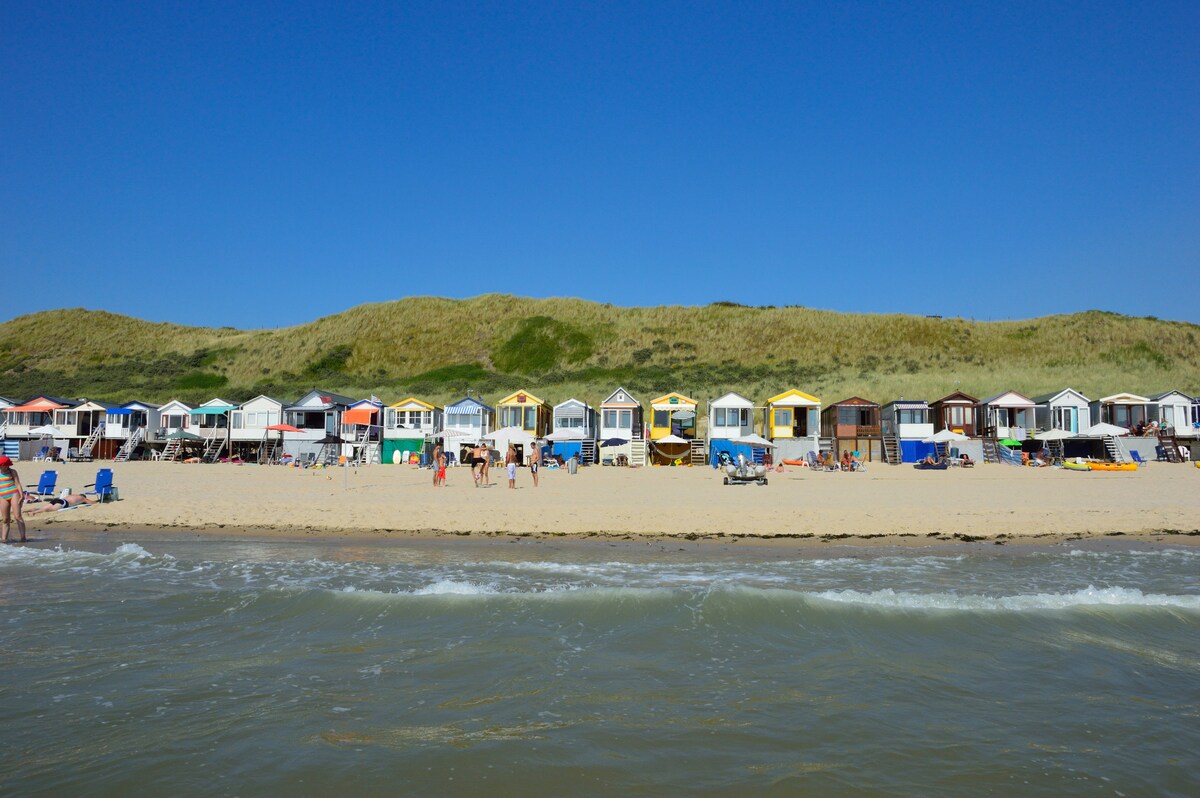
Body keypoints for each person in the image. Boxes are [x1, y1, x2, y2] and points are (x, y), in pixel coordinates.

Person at [0, 456, 27, 543]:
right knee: (5, 519)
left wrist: (21, 495)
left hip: (14, 493)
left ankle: (23, 538)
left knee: (17, 516)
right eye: (5, 465)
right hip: (2, 496)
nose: (7, 467)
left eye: (8, 465)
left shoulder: (12, 472)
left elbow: (18, 484)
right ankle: (4, 540)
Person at [25, 493, 98, 514]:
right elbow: (92, 503)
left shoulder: (73, 495)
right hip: (63, 502)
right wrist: (97, 502)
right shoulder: (82, 498)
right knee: (49, 510)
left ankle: (30, 510)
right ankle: (34, 513)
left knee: (43, 508)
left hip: (59, 499)